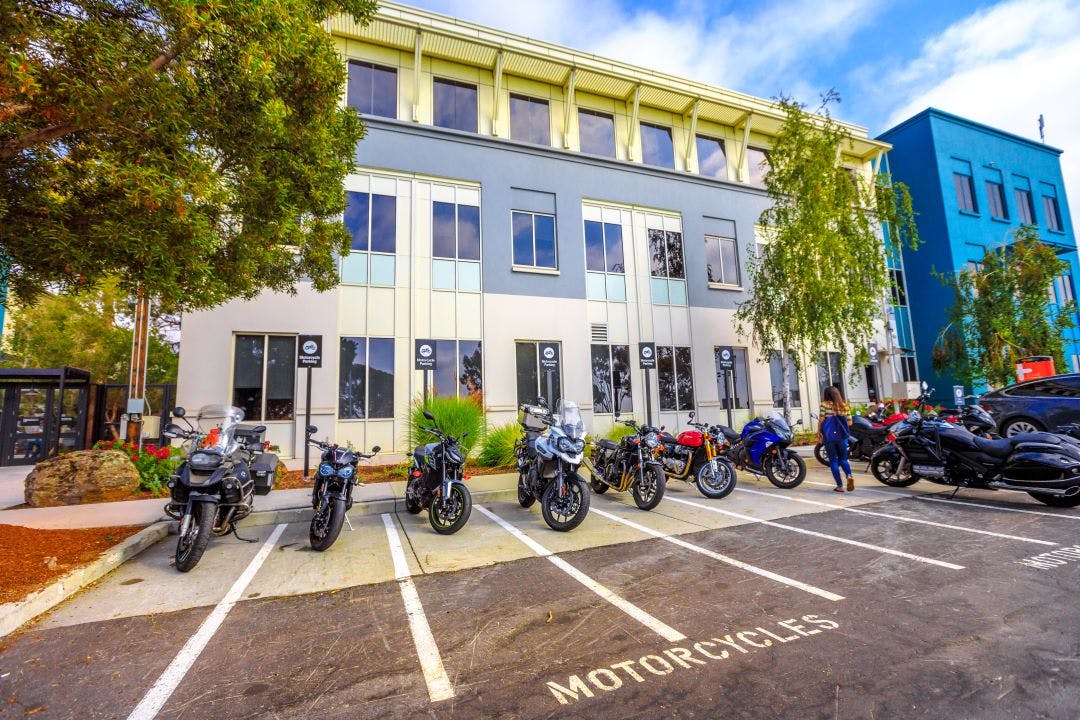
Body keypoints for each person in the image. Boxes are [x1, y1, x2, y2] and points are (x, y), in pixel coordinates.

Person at [818, 385, 854, 492]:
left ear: (826, 395)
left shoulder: (824, 405)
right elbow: (850, 422)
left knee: (833, 460)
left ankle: (839, 486)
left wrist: (819, 433)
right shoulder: (844, 406)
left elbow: (821, 420)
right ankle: (849, 475)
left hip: (829, 437)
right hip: (842, 436)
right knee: (843, 459)